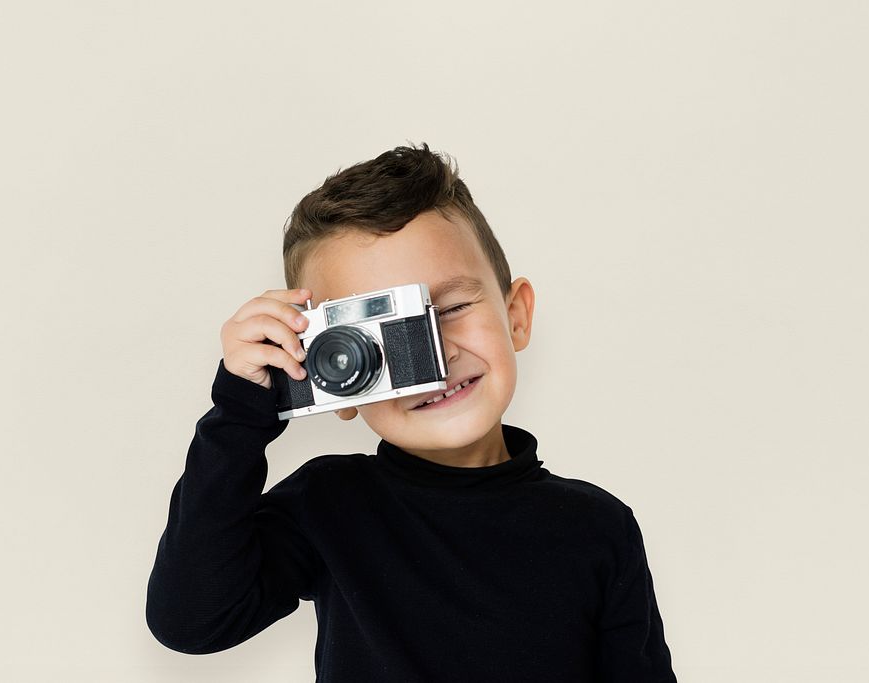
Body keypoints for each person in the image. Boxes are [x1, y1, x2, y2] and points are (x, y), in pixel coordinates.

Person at [145, 143, 677, 681]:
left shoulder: (597, 526)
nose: (436, 355)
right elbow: (192, 619)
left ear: (516, 317)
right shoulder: (330, 504)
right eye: (379, 340)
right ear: (332, 373)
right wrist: (240, 413)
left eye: (449, 309)